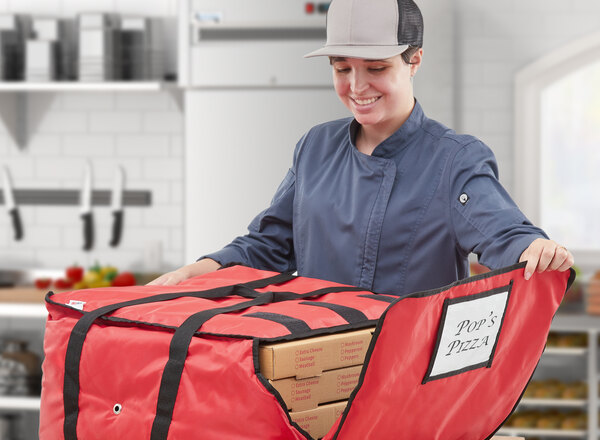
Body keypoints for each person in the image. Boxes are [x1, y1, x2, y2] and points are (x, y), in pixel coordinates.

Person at [149, 0, 573, 293]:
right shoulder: (314, 147)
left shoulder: (454, 159)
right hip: (313, 366)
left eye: (375, 68)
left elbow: (503, 232)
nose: (356, 87)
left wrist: (534, 248)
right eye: (342, 68)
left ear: (415, 61)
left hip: (407, 375)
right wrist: (195, 272)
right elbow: (268, 245)